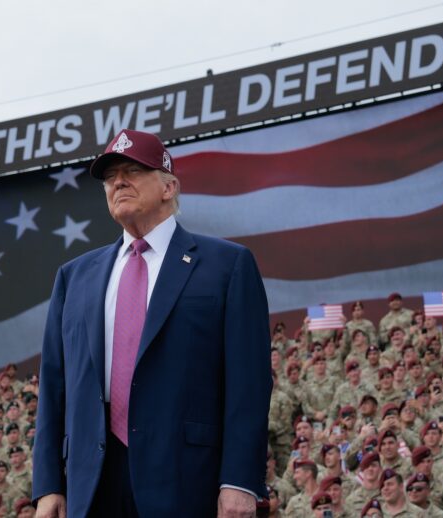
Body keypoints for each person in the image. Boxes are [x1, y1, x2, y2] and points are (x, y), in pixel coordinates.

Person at [32, 129, 271, 518]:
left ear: (168, 186)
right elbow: (54, 385)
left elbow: (249, 382)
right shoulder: (74, 277)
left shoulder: (227, 266)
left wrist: (240, 480)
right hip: (90, 484)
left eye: (133, 170)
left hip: (188, 480)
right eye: (110, 177)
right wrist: (47, 484)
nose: (118, 182)